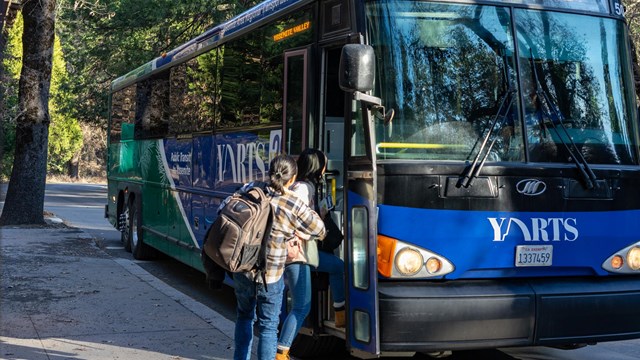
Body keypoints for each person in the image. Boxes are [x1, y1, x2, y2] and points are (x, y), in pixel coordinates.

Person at [232, 154, 326, 360]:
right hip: (270, 275)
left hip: (242, 269)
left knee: (244, 317)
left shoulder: (251, 189)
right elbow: (320, 230)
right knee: (268, 327)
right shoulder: (291, 202)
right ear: (292, 179)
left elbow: (225, 209)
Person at [276, 148, 346, 360]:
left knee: (337, 266)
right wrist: (316, 220)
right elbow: (293, 220)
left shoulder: (306, 187)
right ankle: (282, 352)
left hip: (307, 252)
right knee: (301, 306)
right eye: (324, 163)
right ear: (319, 167)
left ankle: (340, 314)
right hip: (298, 254)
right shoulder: (303, 189)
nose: (326, 167)